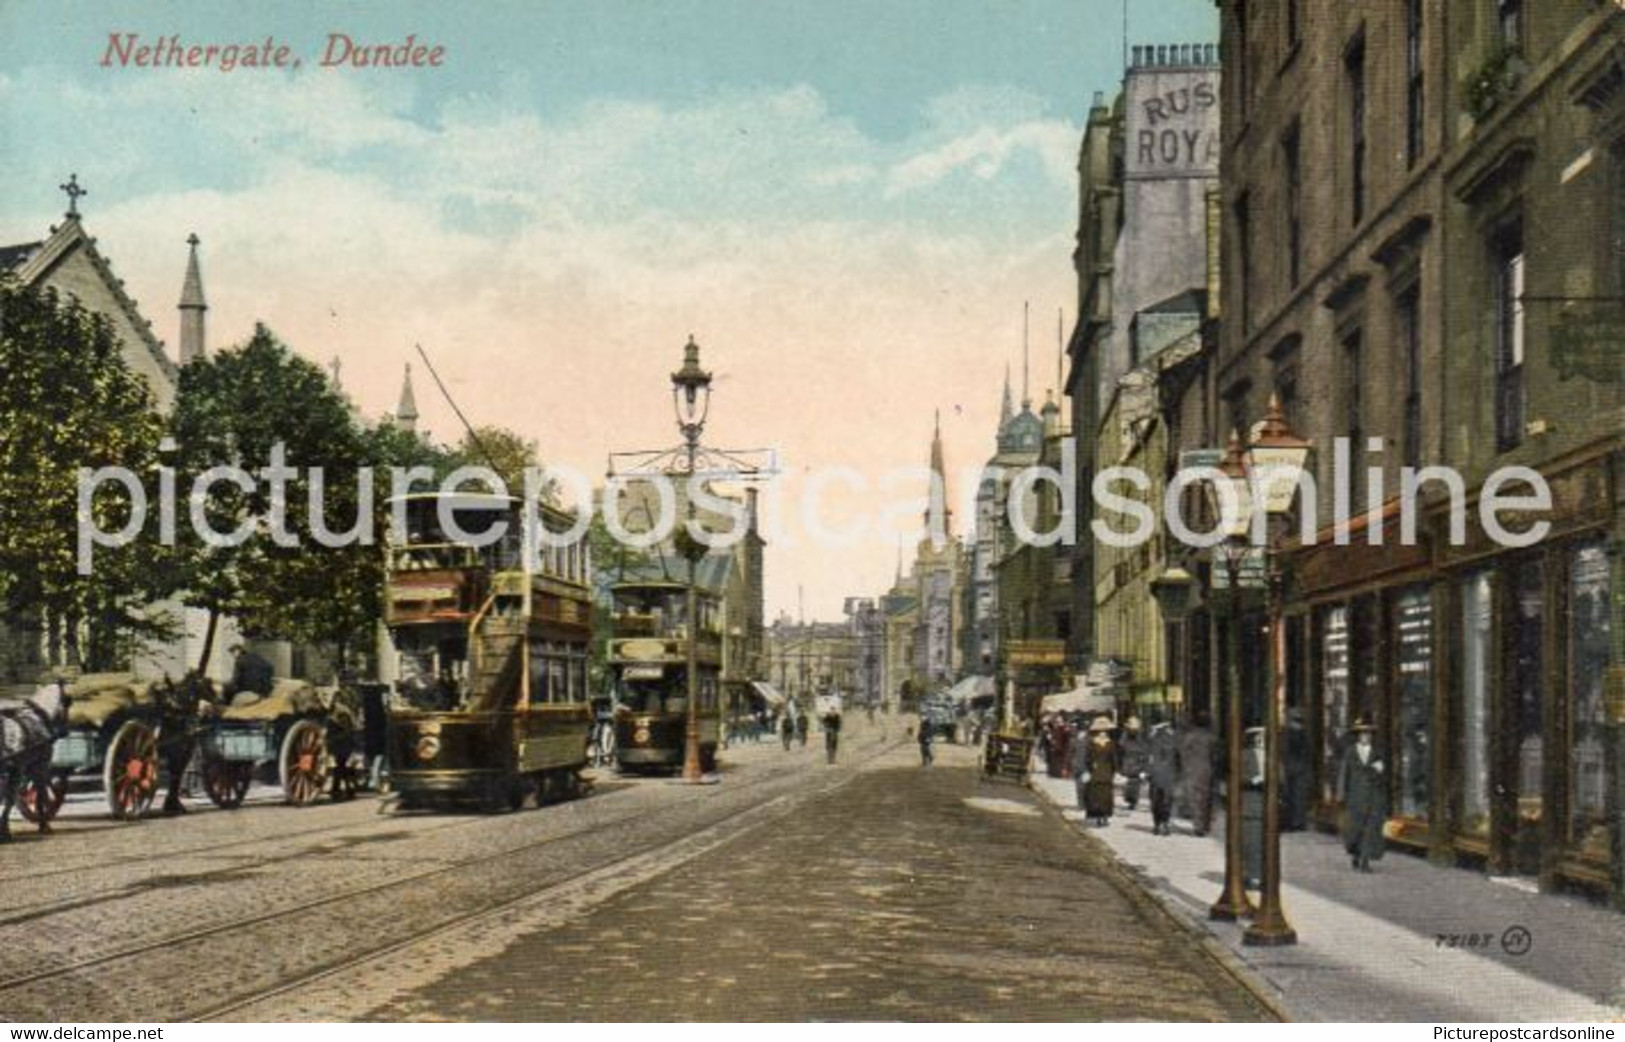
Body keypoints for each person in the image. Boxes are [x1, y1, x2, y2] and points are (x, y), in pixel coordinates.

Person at [1340, 719, 1387, 872]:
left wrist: (1377, 771)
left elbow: (1382, 772)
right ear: (1358, 736)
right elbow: (1344, 774)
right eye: (1363, 734)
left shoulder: (1377, 752)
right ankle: (1355, 854)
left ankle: (1365, 861)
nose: (1366, 737)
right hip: (1355, 795)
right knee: (1355, 827)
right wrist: (1342, 794)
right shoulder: (1350, 751)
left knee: (1370, 828)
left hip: (1373, 795)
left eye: (1368, 734)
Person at [1178, 711, 1216, 836]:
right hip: (1207, 770)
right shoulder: (1211, 737)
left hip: (1192, 770)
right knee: (1206, 798)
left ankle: (1199, 825)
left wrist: (1184, 767)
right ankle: (1205, 824)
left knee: (1195, 798)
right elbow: (1216, 755)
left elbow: (1182, 753)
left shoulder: (1189, 736)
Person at [1241, 727, 1266, 888]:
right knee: (1251, 842)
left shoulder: (1271, 755)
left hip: (1267, 805)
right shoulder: (1244, 755)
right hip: (1251, 803)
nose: (1260, 740)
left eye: (1262, 737)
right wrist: (1254, 780)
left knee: (1265, 844)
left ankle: (1263, 875)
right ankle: (1252, 876)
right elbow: (1237, 777)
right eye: (1258, 737)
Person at [1082, 717, 1118, 826]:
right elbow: (1087, 758)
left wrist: (1115, 771)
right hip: (1095, 772)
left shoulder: (1111, 744)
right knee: (1095, 796)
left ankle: (1105, 816)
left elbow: (1114, 759)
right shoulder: (1092, 743)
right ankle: (1097, 816)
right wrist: (1089, 768)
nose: (1102, 733)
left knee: (1106, 796)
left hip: (1107, 773)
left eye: (1104, 731)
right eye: (1100, 731)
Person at [1147, 720, 1179, 836]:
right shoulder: (1174, 739)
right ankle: (1165, 824)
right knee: (1167, 801)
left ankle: (1157, 824)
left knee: (1156, 801)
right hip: (1168, 775)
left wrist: (1148, 772)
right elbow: (1178, 758)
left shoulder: (1153, 739)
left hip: (1156, 775)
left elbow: (1149, 758)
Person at [1284, 707, 1312, 831]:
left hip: (1293, 768)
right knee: (1298, 797)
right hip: (1300, 768)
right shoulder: (1303, 734)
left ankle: (1293, 822)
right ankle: (1298, 822)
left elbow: (1286, 751)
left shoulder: (1289, 734)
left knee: (1292, 796)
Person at [1118, 717, 1147, 811]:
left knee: (1133, 783)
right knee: (1132, 783)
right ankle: (1132, 801)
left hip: (1134, 761)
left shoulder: (1138, 735)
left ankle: (1132, 801)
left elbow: (1121, 746)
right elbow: (1121, 746)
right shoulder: (1127, 735)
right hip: (1131, 761)